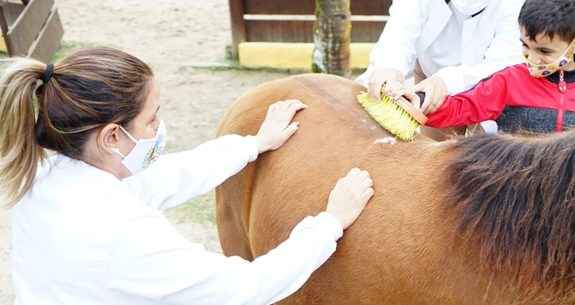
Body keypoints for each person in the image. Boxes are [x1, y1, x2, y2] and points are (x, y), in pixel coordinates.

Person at [0, 47, 374, 305]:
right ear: (112, 136)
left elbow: (168, 177)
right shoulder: (122, 232)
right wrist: (330, 222)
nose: (159, 128)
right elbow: (245, 289)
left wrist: (252, 145)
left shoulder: (44, 175)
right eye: (152, 118)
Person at [415, 0, 575, 134]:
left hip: (566, 193)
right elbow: (464, 107)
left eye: (544, 51)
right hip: (511, 188)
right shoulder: (510, 79)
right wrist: (419, 104)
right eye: (525, 46)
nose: (533, 59)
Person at [357, 0, 525, 113]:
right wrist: (389, 67)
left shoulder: (515, 6)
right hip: (427, 76)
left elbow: (503, 63)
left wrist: (446, 81)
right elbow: (401, 30)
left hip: (488, 87)